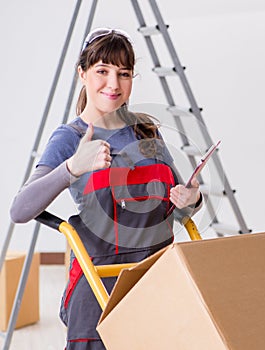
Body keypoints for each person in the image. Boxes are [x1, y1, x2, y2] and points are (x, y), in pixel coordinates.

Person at [10, 28, 203, 350]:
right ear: (82, 73)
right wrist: (72, 168)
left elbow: (180, 199)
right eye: (102, 71)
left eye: (123, 73)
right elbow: (20, 210)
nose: (113, 84)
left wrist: (191, 197)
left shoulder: (146, 131)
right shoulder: (69, 138)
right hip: (99, 279)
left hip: (158, 276)